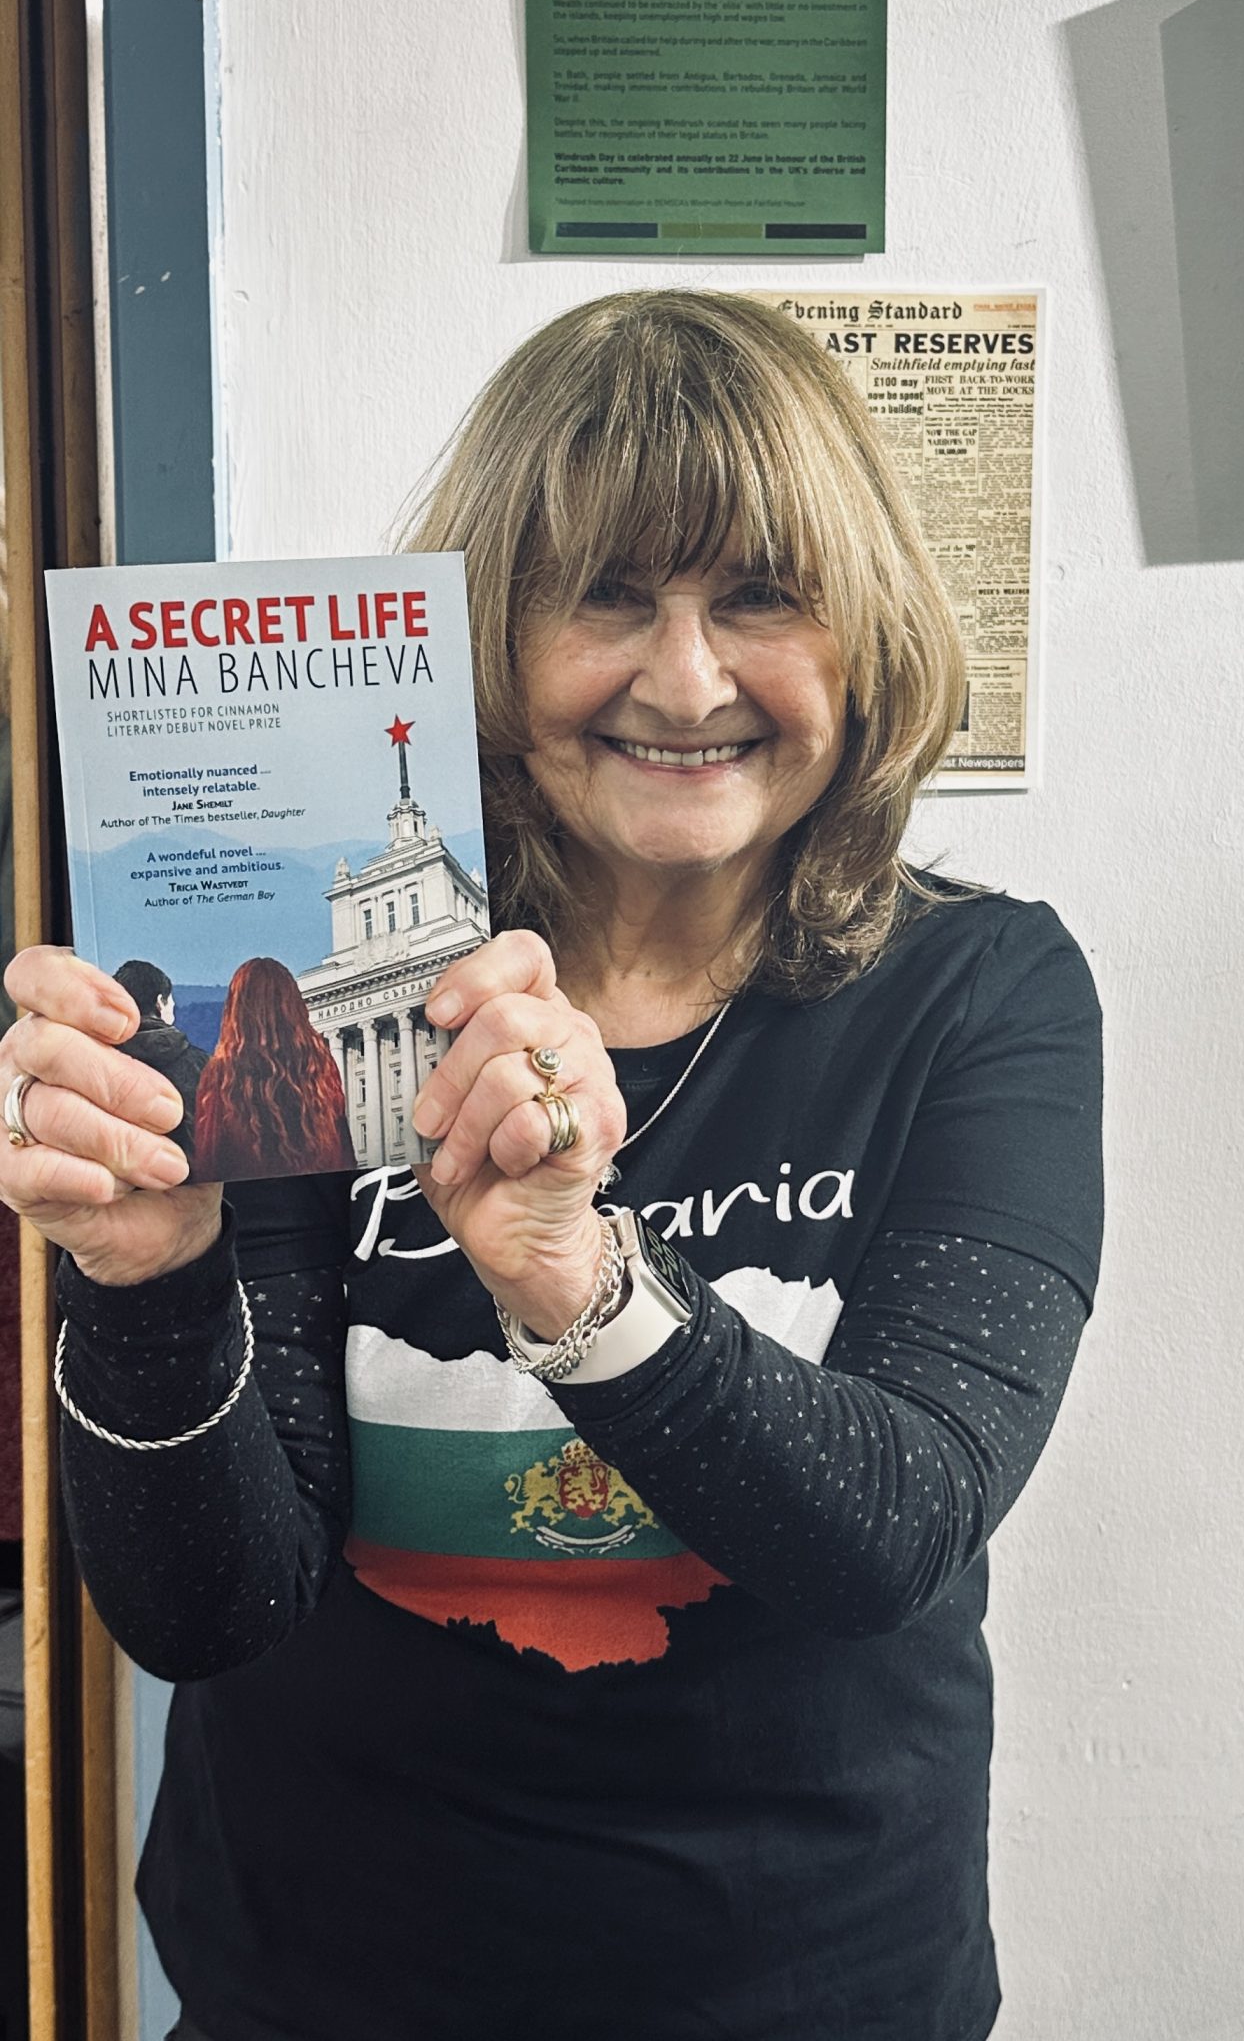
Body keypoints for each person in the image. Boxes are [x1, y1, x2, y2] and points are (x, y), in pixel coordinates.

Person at [0, 290, 1103, 2041]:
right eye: (606, 597)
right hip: (323, 1986)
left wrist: (582, 1283)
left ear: (865, 628)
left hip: (808, 1992)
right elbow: (210, 1610)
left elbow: (895, 1526)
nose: (685, 679)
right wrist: (147, 1280)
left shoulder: (977, 994)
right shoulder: (311, 980)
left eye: (759, 593)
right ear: (490, 644)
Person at [190, 954, 357, 1180]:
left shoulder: (221, 1074)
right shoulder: (320, 1067)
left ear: (236, 1008)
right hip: (315, 1202)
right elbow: (345, 1157)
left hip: (247, 1207)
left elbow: (208, 1162)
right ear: (292, 1006)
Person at [111, 961, 208, 1169]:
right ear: (159, 1002)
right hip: (192, 1177)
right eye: (170, 1000)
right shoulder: (202, 1064)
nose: (173, 1005)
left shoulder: (100, 1060)